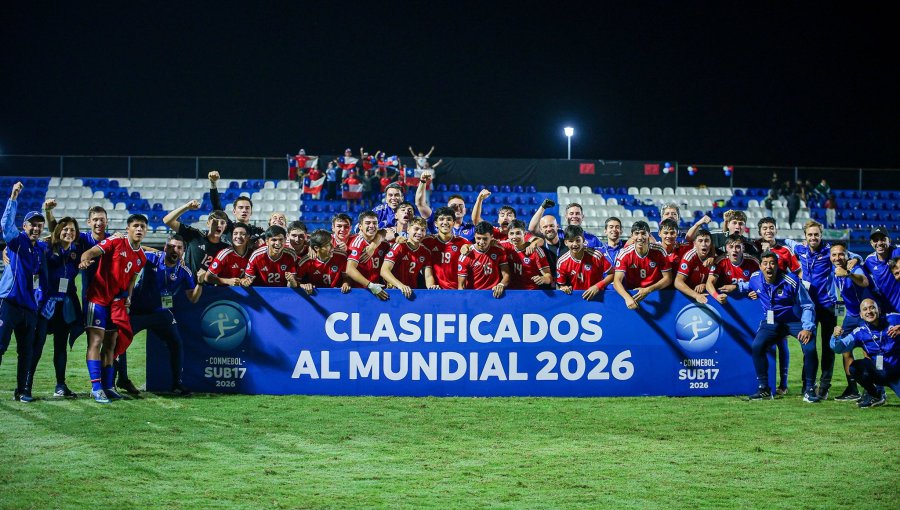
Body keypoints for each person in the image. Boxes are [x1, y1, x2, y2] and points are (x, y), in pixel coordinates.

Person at [786, 219, 864, 400]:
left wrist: (854, 259)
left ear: (821, 235)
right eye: (810, 235)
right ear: (805, 237)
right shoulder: (800, 249)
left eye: (816, 235)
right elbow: (788, 243)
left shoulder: (829, 252)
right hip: (808, 308)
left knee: (829, 347)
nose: (813, 238)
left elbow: (854, 256)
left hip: (830, 306)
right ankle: (808, 384)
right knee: (808, 346)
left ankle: (825, 385)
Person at [116, 234, 202, 396]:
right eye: (171, 246)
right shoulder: (152, 258)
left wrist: (201, 282)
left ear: (183, 251)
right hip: (138, 311)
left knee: (176, 343)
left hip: (161, 313)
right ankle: (122, 378)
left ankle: (177, 383)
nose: (174, 250)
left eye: (179, 247)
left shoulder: (184, 271)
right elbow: (134, 250)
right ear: (165, 248)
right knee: (119, 342)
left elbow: (193, 298)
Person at [79, 213, 148, 403]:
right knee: (96, 341)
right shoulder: (115, 242)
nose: (139, 229)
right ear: (128, 229)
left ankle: (108, 386)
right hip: (98, 299)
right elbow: (92, 252)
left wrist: (129, 297)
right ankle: (96, 388)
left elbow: (132, 279)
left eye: (142, 226)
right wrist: (85, 258)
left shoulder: (141, 257)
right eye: (136, 225)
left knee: (110, 344)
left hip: (116, 304)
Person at [745, 251, 819, 402]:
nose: (768, 267)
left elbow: (807, 305)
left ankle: (810, 389)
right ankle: (764, 388)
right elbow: (744, 285)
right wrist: (733, 288)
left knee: (810, 347)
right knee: (757, 346)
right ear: (760, 266)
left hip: (795, 321)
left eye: (772, 263)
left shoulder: (791, 280)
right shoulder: (755, 279)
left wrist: (807, 327)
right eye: (765, 264)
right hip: (772, 322)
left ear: (777, 265)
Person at [0, 182, 46, 402]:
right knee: (0, 346)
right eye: (33, 224)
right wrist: (13, 197)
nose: (36, 228)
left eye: (40, 225)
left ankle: (23, 390)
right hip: (8, 303)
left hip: (29, 309)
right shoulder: (17, 241)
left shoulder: (39, 250)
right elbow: (6, 224)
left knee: (26, 352)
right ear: (25, 225)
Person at [30, 215, 83, 398]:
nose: (69, 232)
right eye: (66, 229)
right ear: (58, 231)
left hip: (64, 307)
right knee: (38, 345)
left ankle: (60, 385)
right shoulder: (45, 247)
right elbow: (34, 266)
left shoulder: (76, 252)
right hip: (45, 305)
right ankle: (26, 386)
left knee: (60, 347)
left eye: (72, 230)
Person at [830, 298, 900, 408]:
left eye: (872, 307)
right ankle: (875, 394)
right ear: (861, 315)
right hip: (878, 371)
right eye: (865, 309)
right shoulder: (859, 332)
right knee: (854, 367)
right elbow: (839, 349)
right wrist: (835, 337)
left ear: (879, 310)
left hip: (897, 373)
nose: (869, 311)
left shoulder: (894, 318)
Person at [830, 242, 872, 401]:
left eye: (841, 254)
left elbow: (864, 281)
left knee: (869, 350)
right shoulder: (834, 272)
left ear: (847, 256)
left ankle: (872, 388)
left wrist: (848, 273)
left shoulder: (854, 268)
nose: (837, 257)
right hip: (850, 316)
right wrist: (840, 318)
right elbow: (841, 298)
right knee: (844, 348)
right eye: (834, 255)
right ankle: (852, 389)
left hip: (865, 316)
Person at [613, 221, 672, 310]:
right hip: (633, 294)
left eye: (643, 233)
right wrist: (627, 298)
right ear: (632, 236)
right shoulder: (624, 253)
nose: (640, 237)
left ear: (649, 235)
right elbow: (617, 281)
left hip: (655, 292)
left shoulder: (660, 251)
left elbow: (668, 278)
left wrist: (648, 290)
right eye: (636, 234)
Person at [163, 200, 230, 276]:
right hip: (186, 284)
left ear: (225, 227)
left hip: (210, 287)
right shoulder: (195, 235)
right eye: (215, 222)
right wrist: (187, 207)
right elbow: (167, 220)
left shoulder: (226, 248)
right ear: (208, 223)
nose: (218, 225)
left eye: (222, 222)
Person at [381, 217, 438, 298]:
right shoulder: (399, 246)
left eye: (423, 230)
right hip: (394, 292)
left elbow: (428, 276)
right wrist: (401, 286)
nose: (419, 233)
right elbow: (384, 271)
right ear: (408, 229)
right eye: (416, 229)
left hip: (412, 292)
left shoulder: (426, 252)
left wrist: (431, 287)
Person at [556, 225, 612, 300]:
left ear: (583, 240)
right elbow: (561, 285)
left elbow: (612, 274)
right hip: (574, 300)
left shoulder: (596, 255)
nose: (575, 244)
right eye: (571, 241)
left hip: (597, 297)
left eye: (578, 240)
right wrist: (564, 288)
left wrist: (597, 286)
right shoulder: (561, 262)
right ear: (566, 242)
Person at [422, 207, 472, 290]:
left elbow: (479, 249)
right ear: (435, 223)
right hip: (435, 290)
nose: (445, 222)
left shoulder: (462, 242)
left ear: (453, 222)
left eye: (449, 219)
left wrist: (469, 246)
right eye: (441, 219)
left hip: (457, 291)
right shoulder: (427, 242)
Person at [344, 211, 390, 300]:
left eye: (375, 223)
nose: (372, 226)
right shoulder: (357, 243)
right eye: (368, 223)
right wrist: (371, 285)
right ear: (360, 227)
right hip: (360, 291)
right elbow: (350, 269)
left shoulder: (384, 244)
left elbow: (386, 232)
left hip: (379, 290)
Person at [207, 171, 265, 242]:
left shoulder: (258, 232)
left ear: (251, 212)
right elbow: (217, 207)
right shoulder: (227, 227)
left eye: (247, 208)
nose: (244, 210)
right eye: (240, 207)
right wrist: (213, 183)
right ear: (234, 211)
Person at [457, 221, 510, 298]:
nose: (481, 242)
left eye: (485, 239)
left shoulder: (499, 251)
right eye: (478, 238)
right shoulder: (466, 255)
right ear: (474, 236)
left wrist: (501, 284)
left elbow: (506, 274)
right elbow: (461, 286)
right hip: (474, 296)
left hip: (494, 295)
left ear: (491, 237)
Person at [415, 174, 476, 240]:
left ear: (465, 210)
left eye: (461, 206)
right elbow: (420, 204)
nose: (458, 208)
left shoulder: (472, 229)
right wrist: (423, 182)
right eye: (454, 206)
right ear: (448, 209)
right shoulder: (437, 222)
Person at [706, 234, 760, 305]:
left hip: (747, 303)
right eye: (731, 247)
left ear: (743, 248)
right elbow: (709, 283)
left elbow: (763, 281)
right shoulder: (720, 261)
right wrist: (717, 296)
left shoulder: (753, 262)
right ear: (726, 248)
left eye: (737, 247)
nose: (734, 250)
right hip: (727, 303)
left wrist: (757, 292)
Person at [500, 220, 552, 290]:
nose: (514, 237)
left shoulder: (536, 250)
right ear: (508, 235)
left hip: (530, 292)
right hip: (511, 292)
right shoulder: (504, 246)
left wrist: (543, 279)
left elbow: (549, 277)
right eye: (511, 234)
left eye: (518, 233)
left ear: (524, 234)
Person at [864, 227, 900, 314]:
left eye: (883, 239)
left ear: (889, 240)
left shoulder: (898, 251)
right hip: (884, 310)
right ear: (871, 243)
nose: (879, 243)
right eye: (876, 240)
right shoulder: (869, 261)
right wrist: (856, 259)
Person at [673, 230, 715, 304]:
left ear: (711, 244)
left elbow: (718, 281)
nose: (704, 244)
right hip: (687, 296)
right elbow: (677, 282)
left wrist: (705, 285)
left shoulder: (714, 258)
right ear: (695, 244)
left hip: (705, 295)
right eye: (700, 241)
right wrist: (696, 296)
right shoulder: (689, 256)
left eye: (707, 241)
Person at [205, 222, 253, 286]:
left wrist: (245, 281)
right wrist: (227, 281)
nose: (238, 236)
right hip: (225, 292)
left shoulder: (253, 254)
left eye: (242, 234)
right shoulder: (225, 254)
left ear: (248, 237)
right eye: (235, 234)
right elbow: (207, 277)